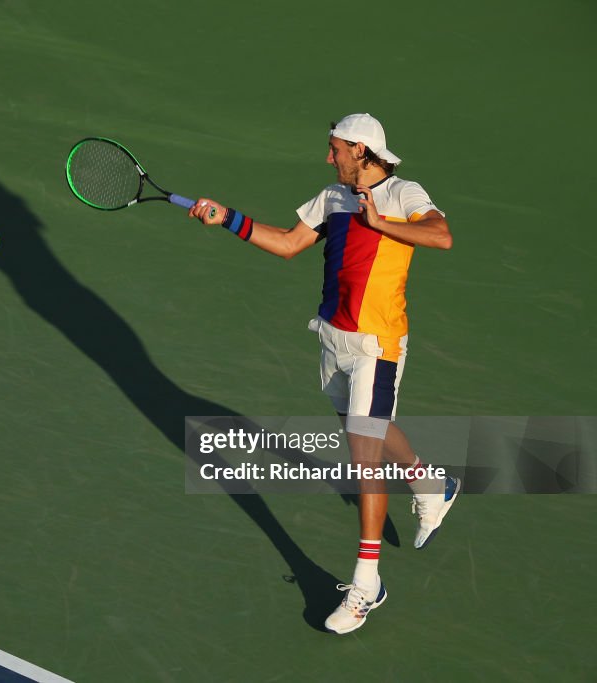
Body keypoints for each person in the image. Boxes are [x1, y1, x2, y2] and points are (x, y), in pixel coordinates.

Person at [188, 113, 460, 634]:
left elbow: (441, 235)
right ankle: (432, 484)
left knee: (364, 456)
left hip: (377, 345)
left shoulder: (403, 192)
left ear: (361, 150)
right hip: (332, 339)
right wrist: (228, 219)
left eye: (335, 149)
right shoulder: (331, 198)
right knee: (370, 433)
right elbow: (290, 243)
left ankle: (366, 584)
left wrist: (382, 222)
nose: (328, 157)